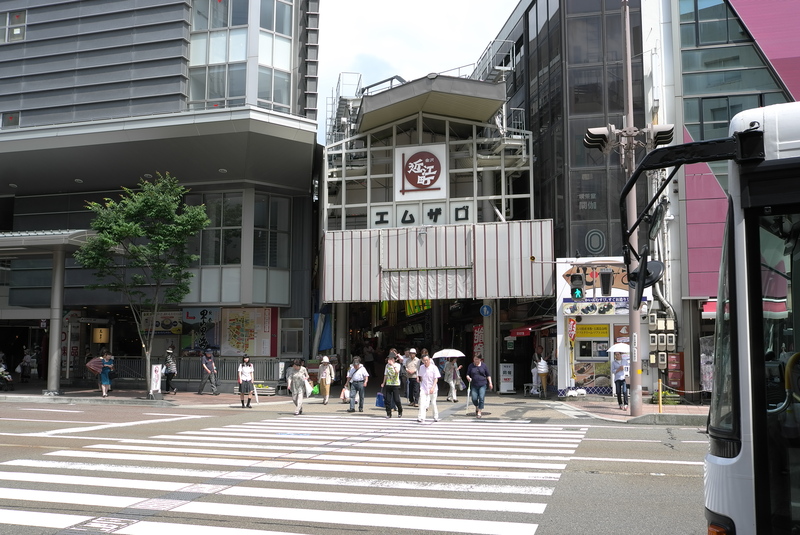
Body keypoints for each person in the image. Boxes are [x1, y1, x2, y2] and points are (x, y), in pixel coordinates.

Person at [417, 353, 441, 423]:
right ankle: (421, 417)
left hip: (432, 387)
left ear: (430, 360)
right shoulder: (421, 367)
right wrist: (419, 379)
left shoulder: (434, 367)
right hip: (424, 387)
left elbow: (436, 378)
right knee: (422, 403)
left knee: (433, 403)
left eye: (427, 360)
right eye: (424, 360)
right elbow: (421, 376)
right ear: (422, 361)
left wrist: (433, 387)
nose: (426, 362)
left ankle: (435, 416)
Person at [380, 353, 403, 418]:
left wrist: (393, 365)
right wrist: (383, 383)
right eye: (389, 358)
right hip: (388, 384)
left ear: (394, 359)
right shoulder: (387, 366)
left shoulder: (397, 365)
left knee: (397, 400)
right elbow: (385, 374)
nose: (389, 360)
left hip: (396, 384)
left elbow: (397, 371)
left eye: (391, 359)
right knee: (387, 400)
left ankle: (400, 410)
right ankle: (388, 413)